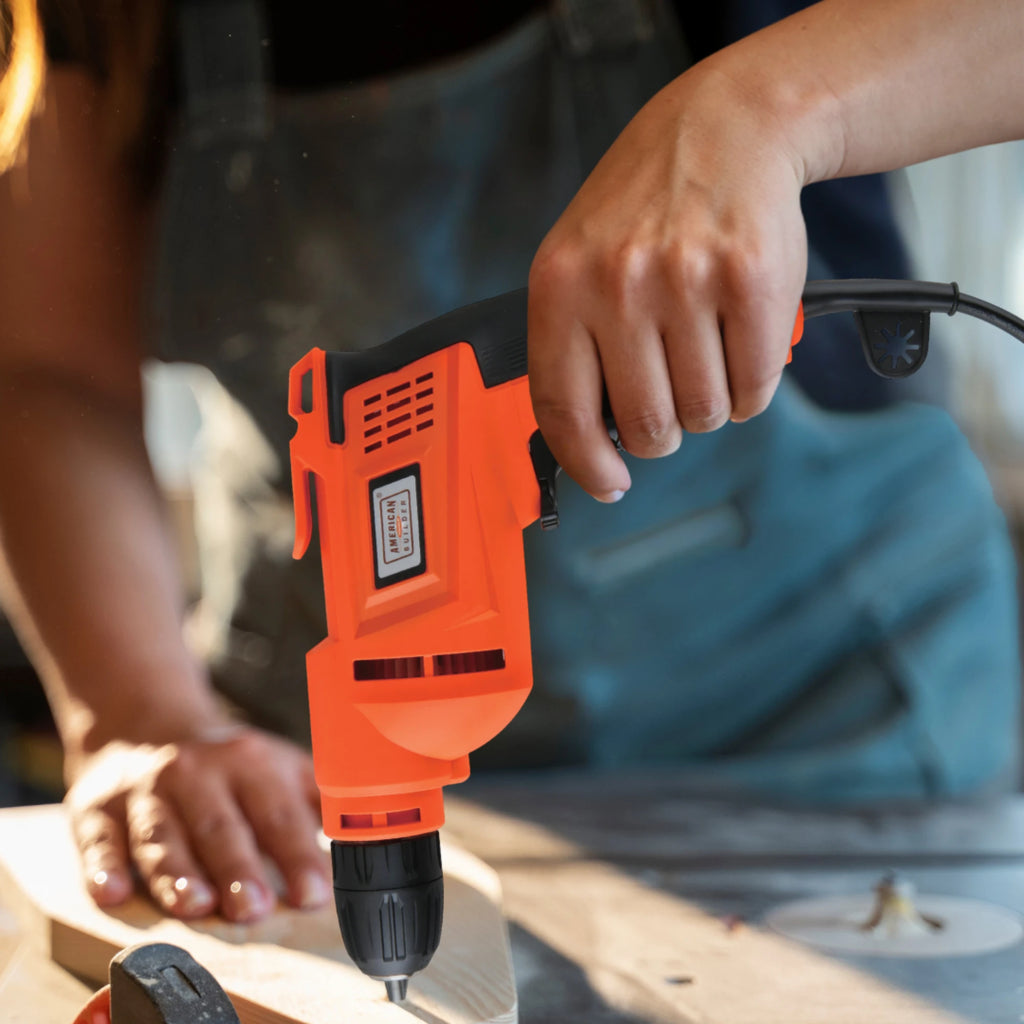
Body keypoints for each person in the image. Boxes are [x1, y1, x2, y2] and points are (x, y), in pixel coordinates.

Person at [0, 0, 1020, 932]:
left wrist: (761, 106)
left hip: (827, 721)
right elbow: (51, 373)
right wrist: (142, 712)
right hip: (304, 774)